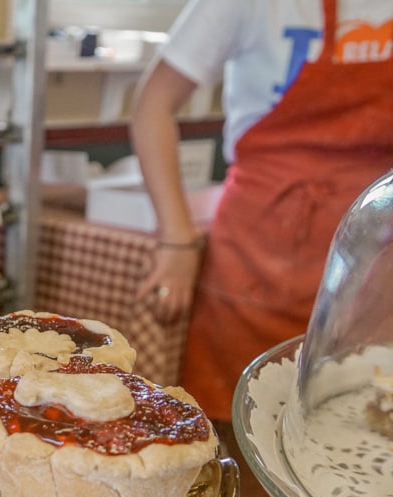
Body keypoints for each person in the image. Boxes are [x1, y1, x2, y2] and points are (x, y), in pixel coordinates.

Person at [130, 0, 393, 425]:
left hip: (377, 255)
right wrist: (176, 238)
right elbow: (153, 105)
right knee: (241, 424)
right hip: (259, 251)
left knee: (356, 424)